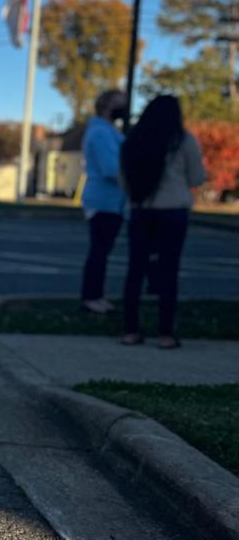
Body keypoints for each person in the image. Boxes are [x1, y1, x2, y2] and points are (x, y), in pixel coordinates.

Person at [118, 96, 207, 349]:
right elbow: (197, 177)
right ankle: (165, 333)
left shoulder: (132, 142)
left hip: (141, 210)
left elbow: (123, 181)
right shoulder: (183, 140)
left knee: (135, 269)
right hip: (173, 211)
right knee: (169, 271)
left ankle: (131, 330)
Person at [79, 89, 128, 314]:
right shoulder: (100, 133)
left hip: (112, 201)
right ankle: (91, 296)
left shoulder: (108, 131)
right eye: (120, 103)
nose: (124, 107)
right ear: (107, 105)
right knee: (99, 251)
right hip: (103, 201)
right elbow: (110, 168)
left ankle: (96, 294)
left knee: (102, 251)